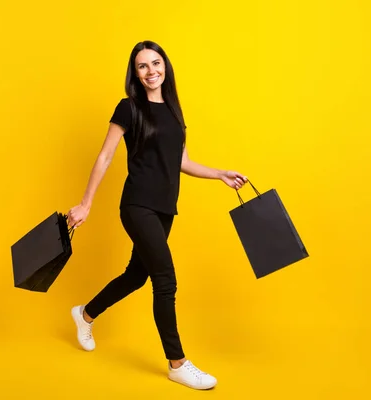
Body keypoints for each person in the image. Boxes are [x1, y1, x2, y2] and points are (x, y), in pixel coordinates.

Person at [66, 40, 248, 390]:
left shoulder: (175, 111)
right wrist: (86, 203)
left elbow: (181, 162)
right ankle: (177, 363)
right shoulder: (128, 108)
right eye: (142, 66)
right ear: (135, 74)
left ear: (165, 66)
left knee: (136, 276)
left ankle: (84, 314)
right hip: (137, 205)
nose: (151, 71)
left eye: (156, 63)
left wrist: (220, 174)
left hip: (165, 209)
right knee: (166, 280)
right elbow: (105, 157)